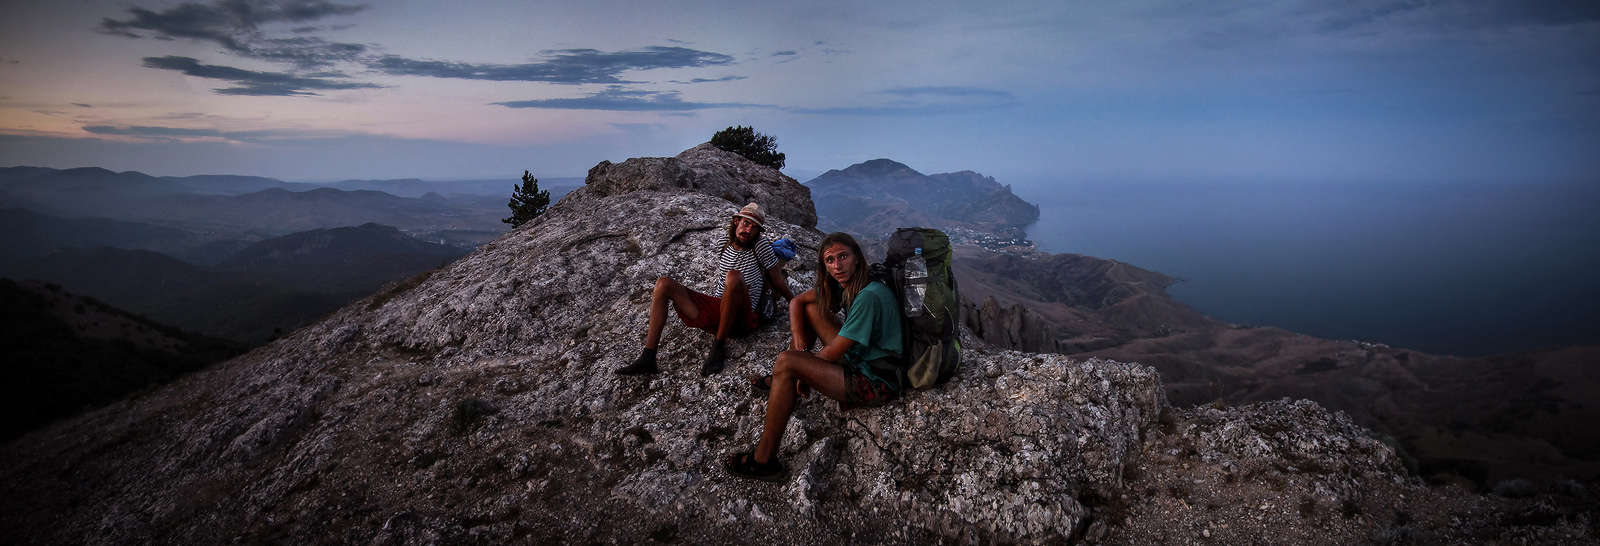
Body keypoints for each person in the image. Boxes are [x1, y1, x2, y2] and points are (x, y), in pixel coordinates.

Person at [725, 232, 903, 481]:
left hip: (874, 381)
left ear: (857, 258)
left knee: (786, 363)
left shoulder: (868, 296)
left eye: (843, 256)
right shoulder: (849, 281)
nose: (837, 265)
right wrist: (802, 356)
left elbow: (833, 352)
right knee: (812, 310)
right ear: (824, 265)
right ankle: (782, 379)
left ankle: (763, 460)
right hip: (862, 358)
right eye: (830, 260)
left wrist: (801, 370)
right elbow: (797, 302)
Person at [616, 203, 794, 376]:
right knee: (664, 284)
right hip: (719, 310)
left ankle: (718, 346)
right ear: (736, 221)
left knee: (733, 277)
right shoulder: (723, 243)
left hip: (742, 318)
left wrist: (795, 305)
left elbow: (777, 281)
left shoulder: (760, 246)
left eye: (754, 227)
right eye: (746, 223)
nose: (748, 230)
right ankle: (648, 357)